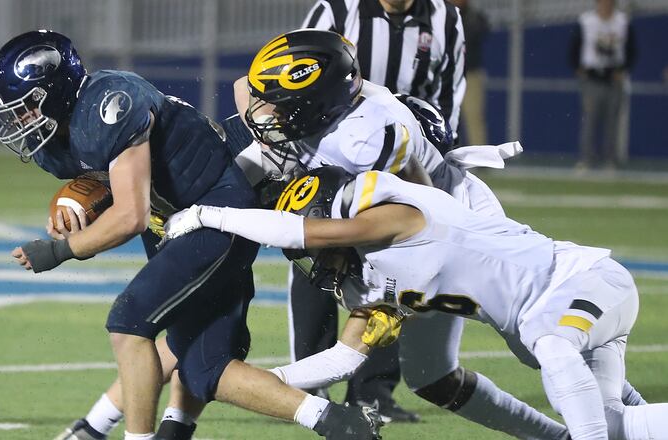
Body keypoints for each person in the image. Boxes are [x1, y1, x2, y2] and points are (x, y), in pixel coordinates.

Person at [0, 30, 382, 440]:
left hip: (215, 214)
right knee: (203, 366)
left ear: (54, 93)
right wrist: (85, 205)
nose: (21, 120)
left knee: (129, 324)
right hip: (177, 219)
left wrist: (58, 250)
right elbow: (119, 180)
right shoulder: (60, 142)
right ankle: (341, 423)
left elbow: (130, 216)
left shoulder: (110, 104)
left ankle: (125, 435)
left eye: (27, 107)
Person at [230, 29, 576, 438]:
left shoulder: (366, 139)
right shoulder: (331, 104)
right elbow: (242, 89)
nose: (269, 111)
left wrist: (393, 293)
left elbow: (422, 209)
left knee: (541, 344)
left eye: (283, 105)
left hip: (454, 231)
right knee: (433, 377)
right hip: (407, 236)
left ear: (317, 102)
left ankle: (622, 418)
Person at [164, 165, 661, 440]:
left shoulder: (397, 218)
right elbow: (344, 359)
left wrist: (213, 215)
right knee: (617, 424)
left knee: (551, 346)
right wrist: (263, 385)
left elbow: (316, 229)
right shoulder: (374, 277)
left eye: (316, 249)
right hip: (560, 313)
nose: (317, 260)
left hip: (584, 281)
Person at [290, 0, 466, 418]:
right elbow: (300, 71)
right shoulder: (336, 9)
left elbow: (447, 97)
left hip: (404, 162)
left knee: (397, 269)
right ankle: (311, 387)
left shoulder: (446, 19)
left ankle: (373, 392)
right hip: (334, 157)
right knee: (319, 257)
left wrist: (443, 157)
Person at [570, 0, 636, 171]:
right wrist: (578, 67)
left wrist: (624, 69)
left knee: (612, 122)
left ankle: (610, 160)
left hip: (614, 77)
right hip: (592, 78)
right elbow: (575, 45)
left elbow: (631, 49)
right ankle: (586, 159)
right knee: (590, 120)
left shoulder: (622, 21)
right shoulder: (587, 21)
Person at [451, 0, 488, 145]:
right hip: (447, 75)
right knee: (444, 117)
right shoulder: (440, 14)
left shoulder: (474, 17)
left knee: (474, 118)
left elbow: (475, 34)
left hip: (470, 74)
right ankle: (444, 155)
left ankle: (479, 158)